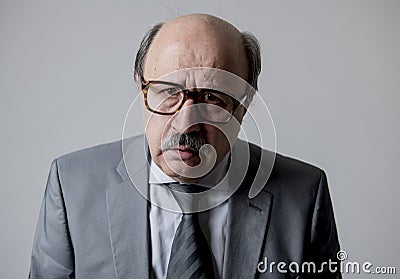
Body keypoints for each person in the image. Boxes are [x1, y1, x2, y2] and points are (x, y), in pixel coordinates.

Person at [29, 13, 341, 279]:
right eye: (167, 91)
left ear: (242, 106)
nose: (186, 123)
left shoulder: (305, 195)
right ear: (141, 89)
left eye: (213, 98)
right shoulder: (71, 186)